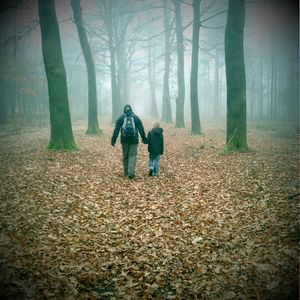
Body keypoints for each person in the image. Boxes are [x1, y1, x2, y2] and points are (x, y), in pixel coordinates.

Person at [111, 104, 147, 179]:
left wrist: (113, 140)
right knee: (132, 156)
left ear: (124, 110)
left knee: (125, 156)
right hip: (134, 140)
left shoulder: (121, 118)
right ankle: (131, 173)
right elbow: (141, 128)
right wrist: (144, 138)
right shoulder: (136, 118)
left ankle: (126, 172)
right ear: (131, 109)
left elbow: (116, 130)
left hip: (124, 140)